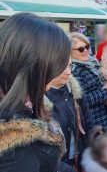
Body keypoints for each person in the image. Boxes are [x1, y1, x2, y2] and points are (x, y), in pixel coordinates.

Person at [0, 13, 70, 172]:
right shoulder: (14, 151)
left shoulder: (23, 105)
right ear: (38, 67)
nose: (64, 71)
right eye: (58, 64)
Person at [45, 58, 94, 171]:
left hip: (81, 162)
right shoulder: (38, 101)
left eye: (70, 66)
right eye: (62, 66)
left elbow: (89, 123)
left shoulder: (75, 92)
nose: (68, 71)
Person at [69, 33, 107, 128]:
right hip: (93, 123)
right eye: (81, 49)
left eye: (87, 46)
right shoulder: (74, 70)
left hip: (105, 118)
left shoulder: (91, 63)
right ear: (70, 52)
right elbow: (82, 101)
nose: (86, 50)